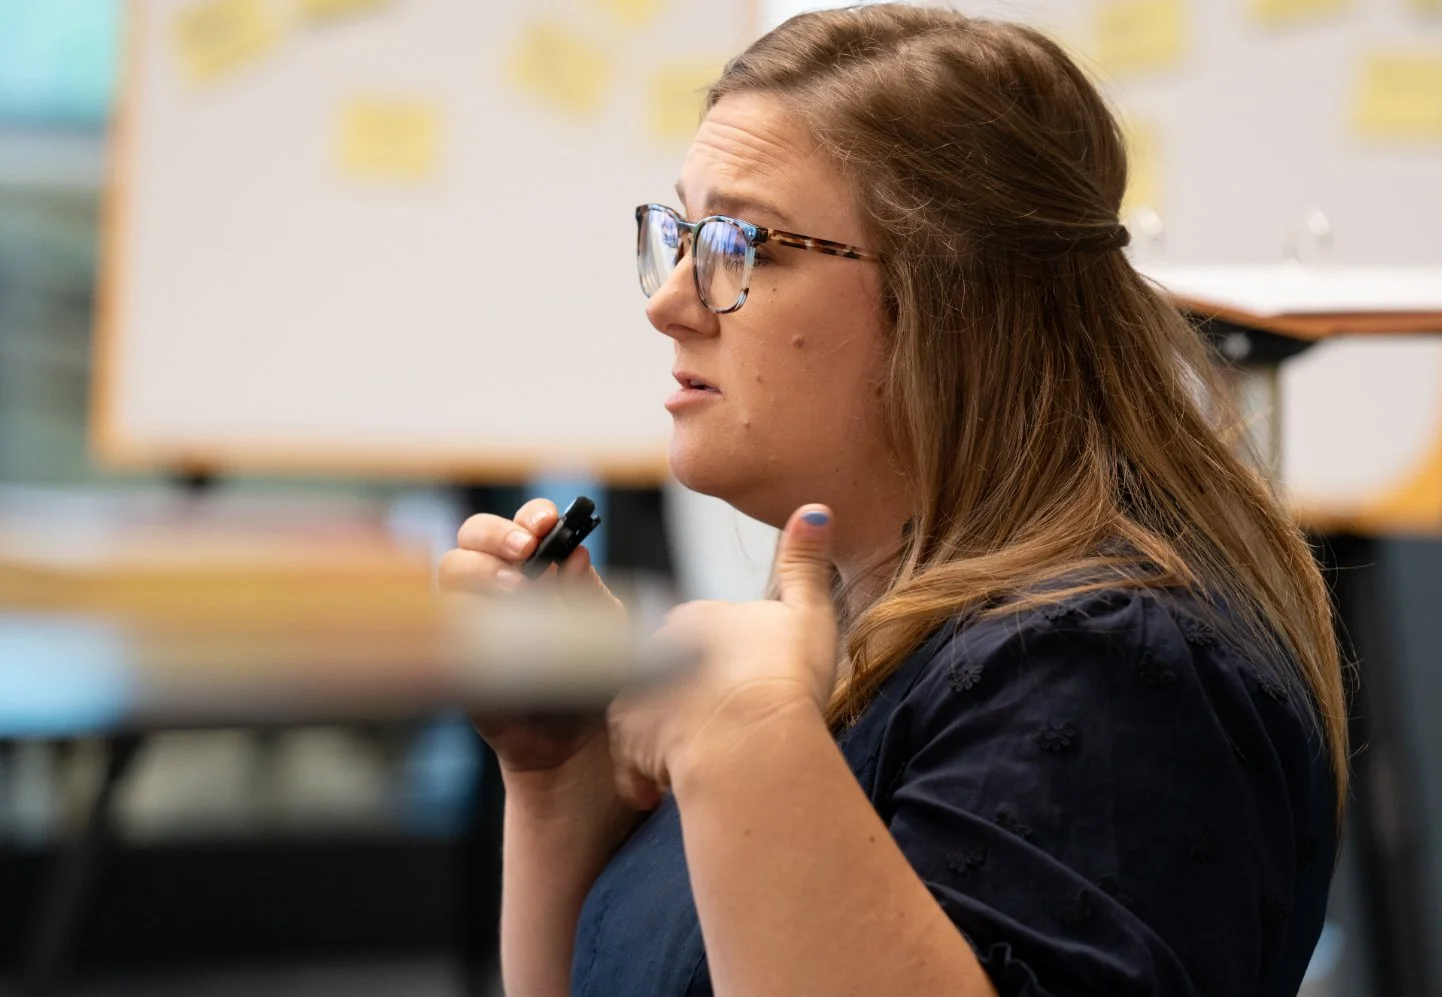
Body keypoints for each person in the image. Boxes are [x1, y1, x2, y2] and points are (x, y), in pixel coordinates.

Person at [438, 6, 1348, 995]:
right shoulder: (858, 642)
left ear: (949, 302)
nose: (670, 301)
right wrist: (557, 774)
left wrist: (743, 736)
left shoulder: (1110, 666)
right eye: (682, 234)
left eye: (741, 243)